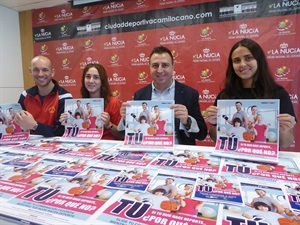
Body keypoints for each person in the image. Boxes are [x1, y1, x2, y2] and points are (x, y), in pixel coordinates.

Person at [205, 38, 296, 149]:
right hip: (233, 157)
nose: (242, 64)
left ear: (259, 60)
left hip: (264, 158)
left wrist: (284, 130)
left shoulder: (278, 94)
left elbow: (285, 144)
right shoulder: (225, 96)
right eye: (236, 60)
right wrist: (214, 124)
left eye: (248, 58)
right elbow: (217, 139)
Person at [118, 46, 207, 145]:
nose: (160, 70)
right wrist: (126, 118)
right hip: (147, 148)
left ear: (173, 67)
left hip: (178, 152)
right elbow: (126, 132)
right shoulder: (140, 94)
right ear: (149, 67)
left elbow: (202, 134)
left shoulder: (189, 94)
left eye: (165, 65)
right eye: (155, 65)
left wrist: (187, 121)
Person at [59, 63, 123, 140]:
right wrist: (67, 122)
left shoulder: (113, 103)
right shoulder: (81, 103)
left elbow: (122, 135)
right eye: (88, 77)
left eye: (96, 77)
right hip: (86, 145)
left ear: (102, 81)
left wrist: (109, 125)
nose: (91, 81)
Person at [14, 56, 73, 137]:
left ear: (52, 72)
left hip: (55, 146)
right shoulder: (25, 95)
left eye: (45, 70)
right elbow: (18, 126)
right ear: (30, 72)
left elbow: (60, 132)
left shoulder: (64, 97)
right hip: (29, 146)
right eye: (36, 70)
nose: (40, 74)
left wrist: (34, 125)